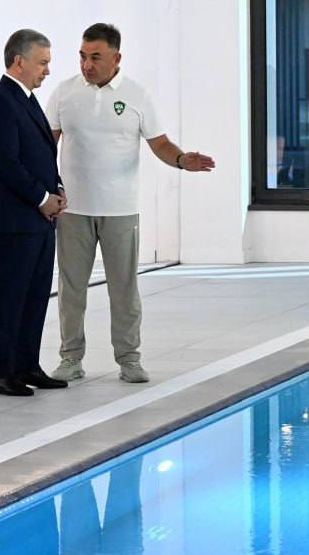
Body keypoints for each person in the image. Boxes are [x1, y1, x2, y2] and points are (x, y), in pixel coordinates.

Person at [46, 23, 213, 384]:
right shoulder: (64, 93)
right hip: (73, 209)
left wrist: (182, 160)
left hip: (120, 209)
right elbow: (47, 145)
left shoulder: (137, 95)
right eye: (82, 56)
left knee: (124, 289)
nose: (87, 65)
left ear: (117, 58)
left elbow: (160, 143)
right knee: (71, 289)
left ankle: (129, 359)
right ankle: (70, 358)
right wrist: (47, 193)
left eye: (96, 57)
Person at [0, 29, 68, 397]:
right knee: (8, 296)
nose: (47, 70)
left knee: (34, 295)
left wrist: (57, 188)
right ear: (19, 61)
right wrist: (41, 197)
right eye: (42, 62)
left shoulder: (27, 100)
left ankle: (26, 364)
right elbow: (5, 163)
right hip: (14, 219)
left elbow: (42, 155)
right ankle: (1, 371)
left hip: (39, 219)